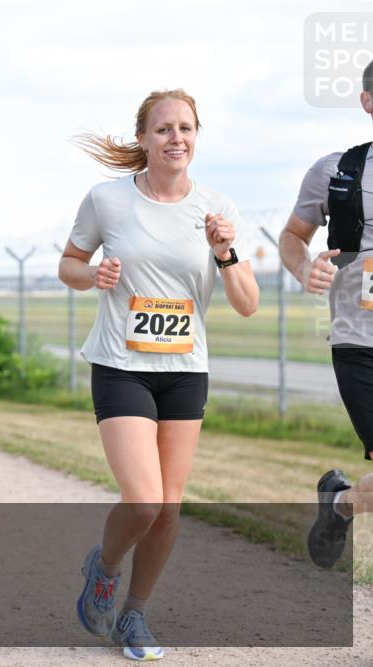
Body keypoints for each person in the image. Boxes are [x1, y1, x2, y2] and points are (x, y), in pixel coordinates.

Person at [59, 89, 258, 661]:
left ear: (197, 137)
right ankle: (105, 567)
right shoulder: (107, 200)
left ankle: (135, 616)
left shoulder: (216, 209)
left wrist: (225, 252)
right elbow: (68, 265)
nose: (176, 139)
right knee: (143, 501)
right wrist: (92, 273)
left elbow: (246, 303)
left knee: (169, 507)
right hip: (122, 364)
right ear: (143, 138)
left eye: (186, 128)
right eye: (164, 129)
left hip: (184, 369)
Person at [279, 59, 373, 569]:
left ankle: (338, 504)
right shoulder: (337, 170)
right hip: (360, 340)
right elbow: (293, 237)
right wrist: (303, 269)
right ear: (368, 101)